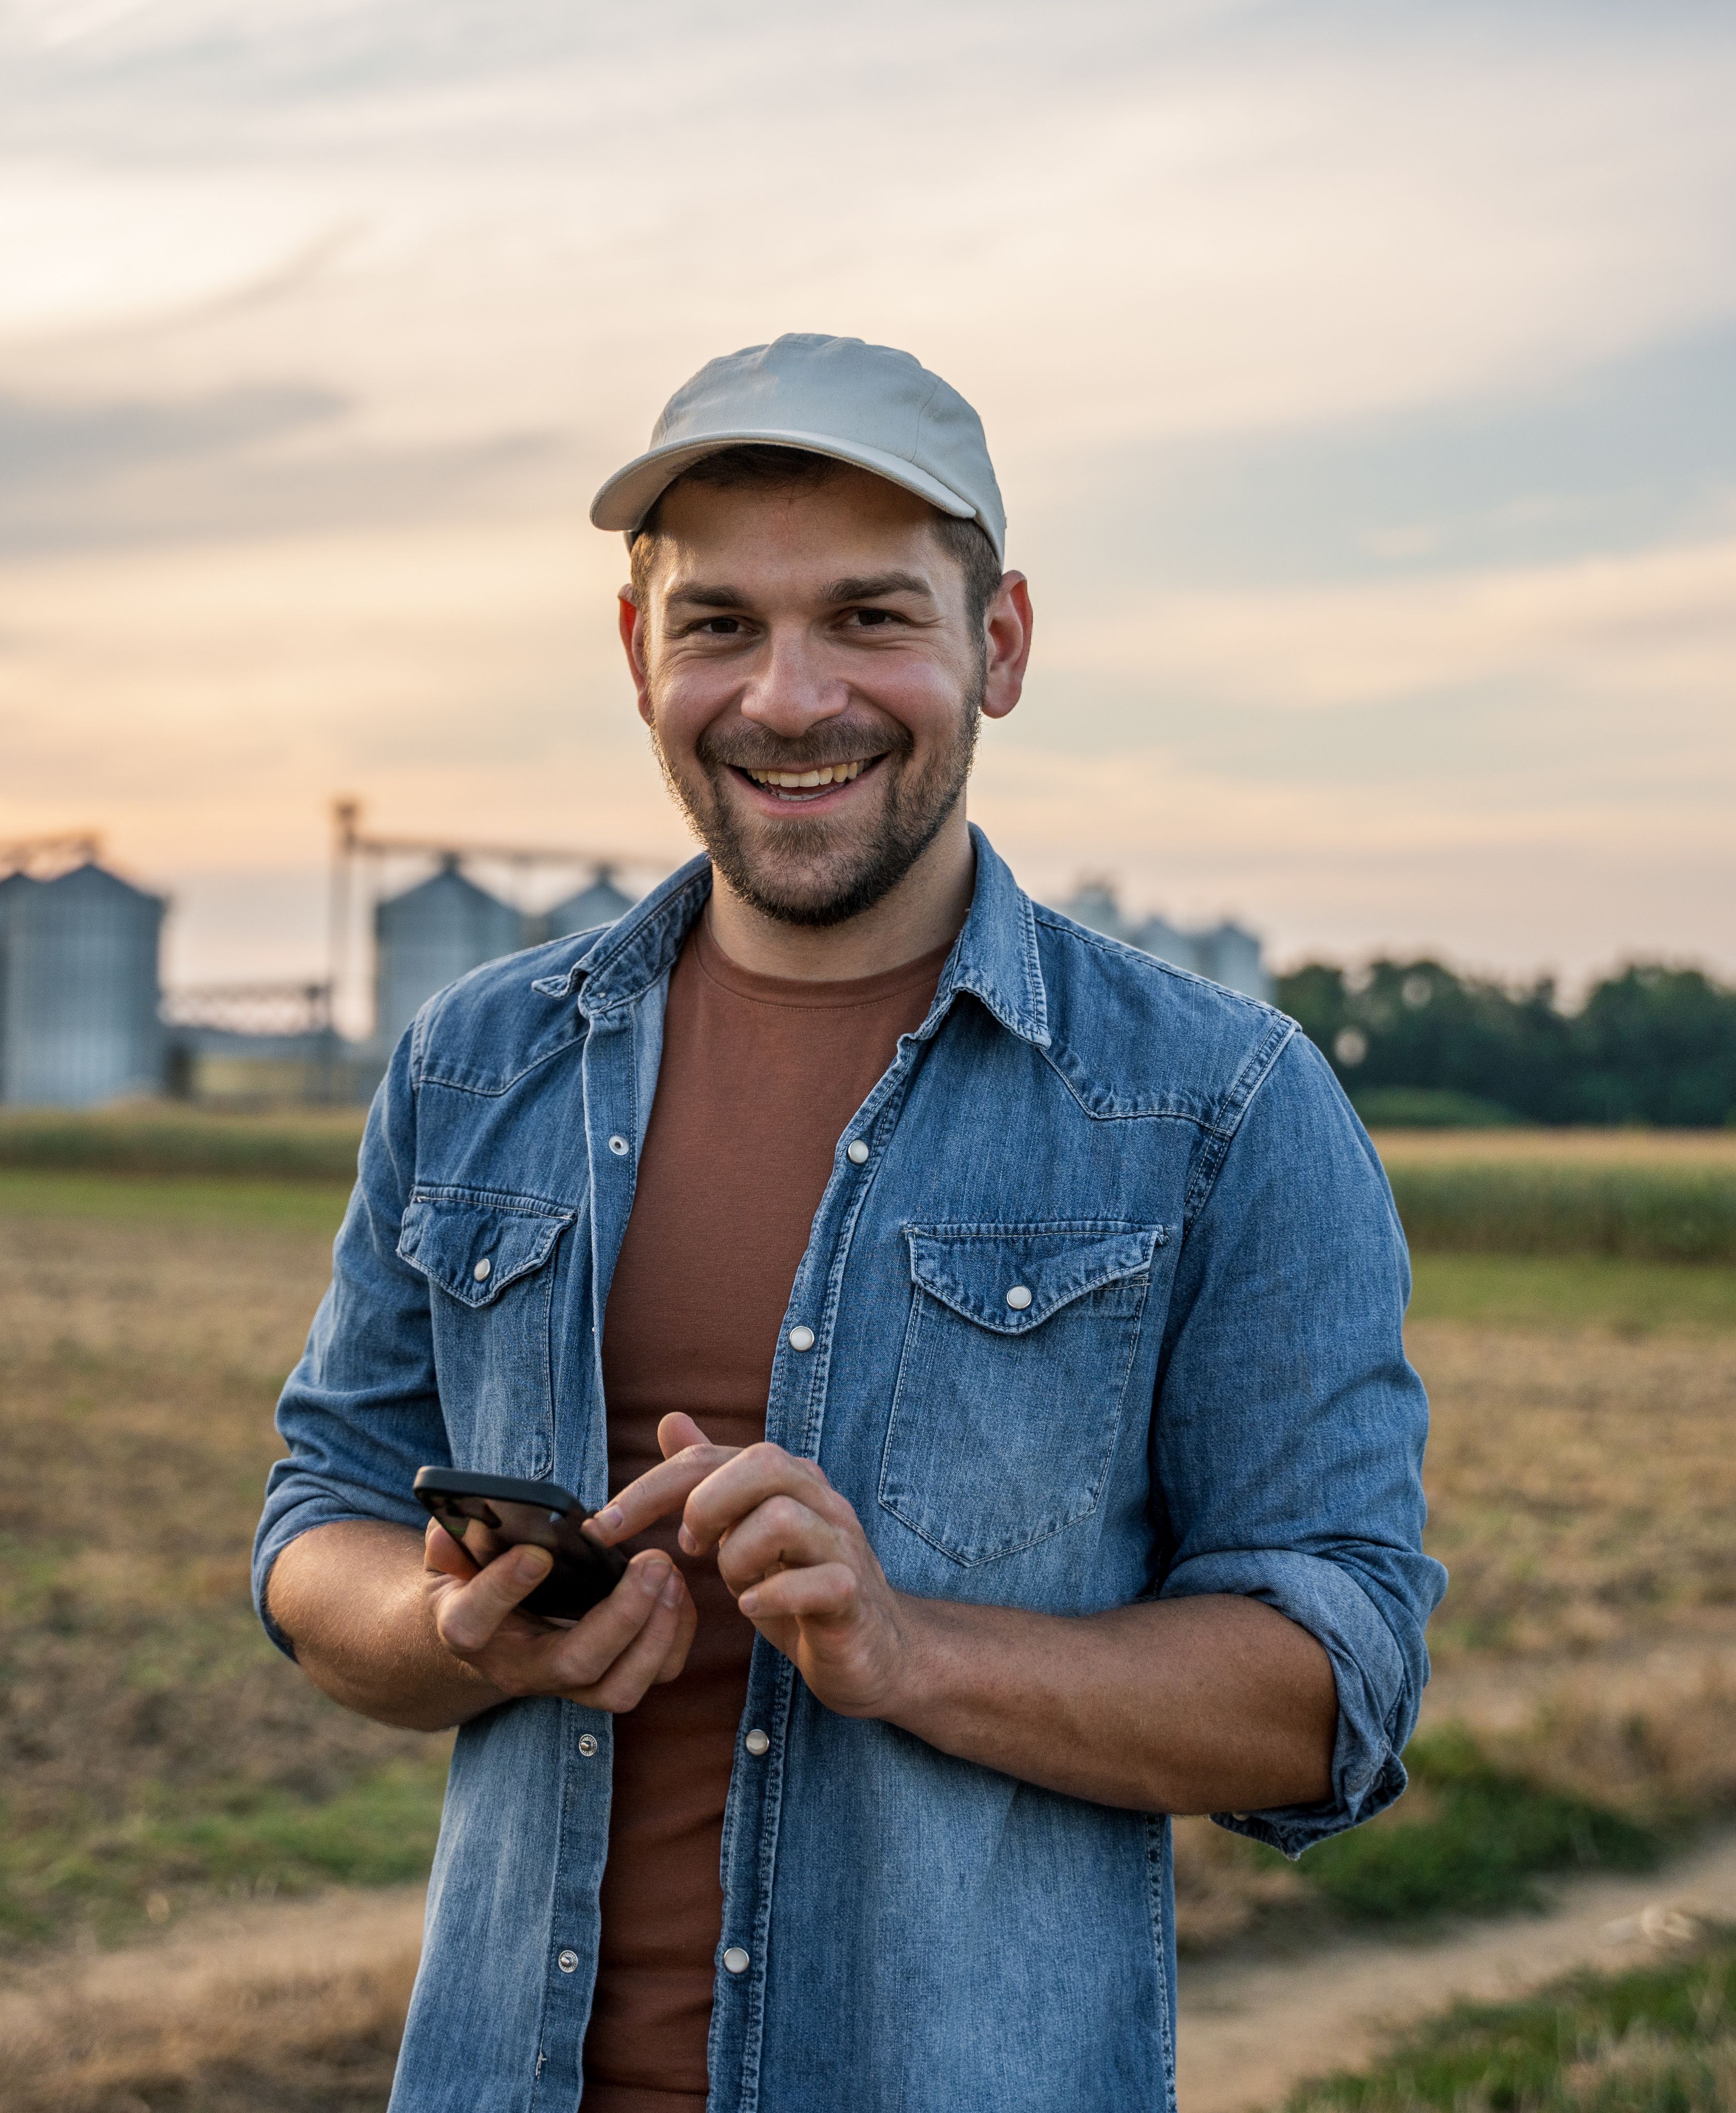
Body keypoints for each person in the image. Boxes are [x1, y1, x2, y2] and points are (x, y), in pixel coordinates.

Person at [255, 333, 1442, 2112]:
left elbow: (1336, 1687)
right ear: (640, 654)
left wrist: (909, 1650)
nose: (789, 698)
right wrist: (453, 1637)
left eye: (873, 619)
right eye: (720, 624)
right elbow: (317, 1525)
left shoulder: (1219, 1106)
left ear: (1003, 645)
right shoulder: (475, 1063)